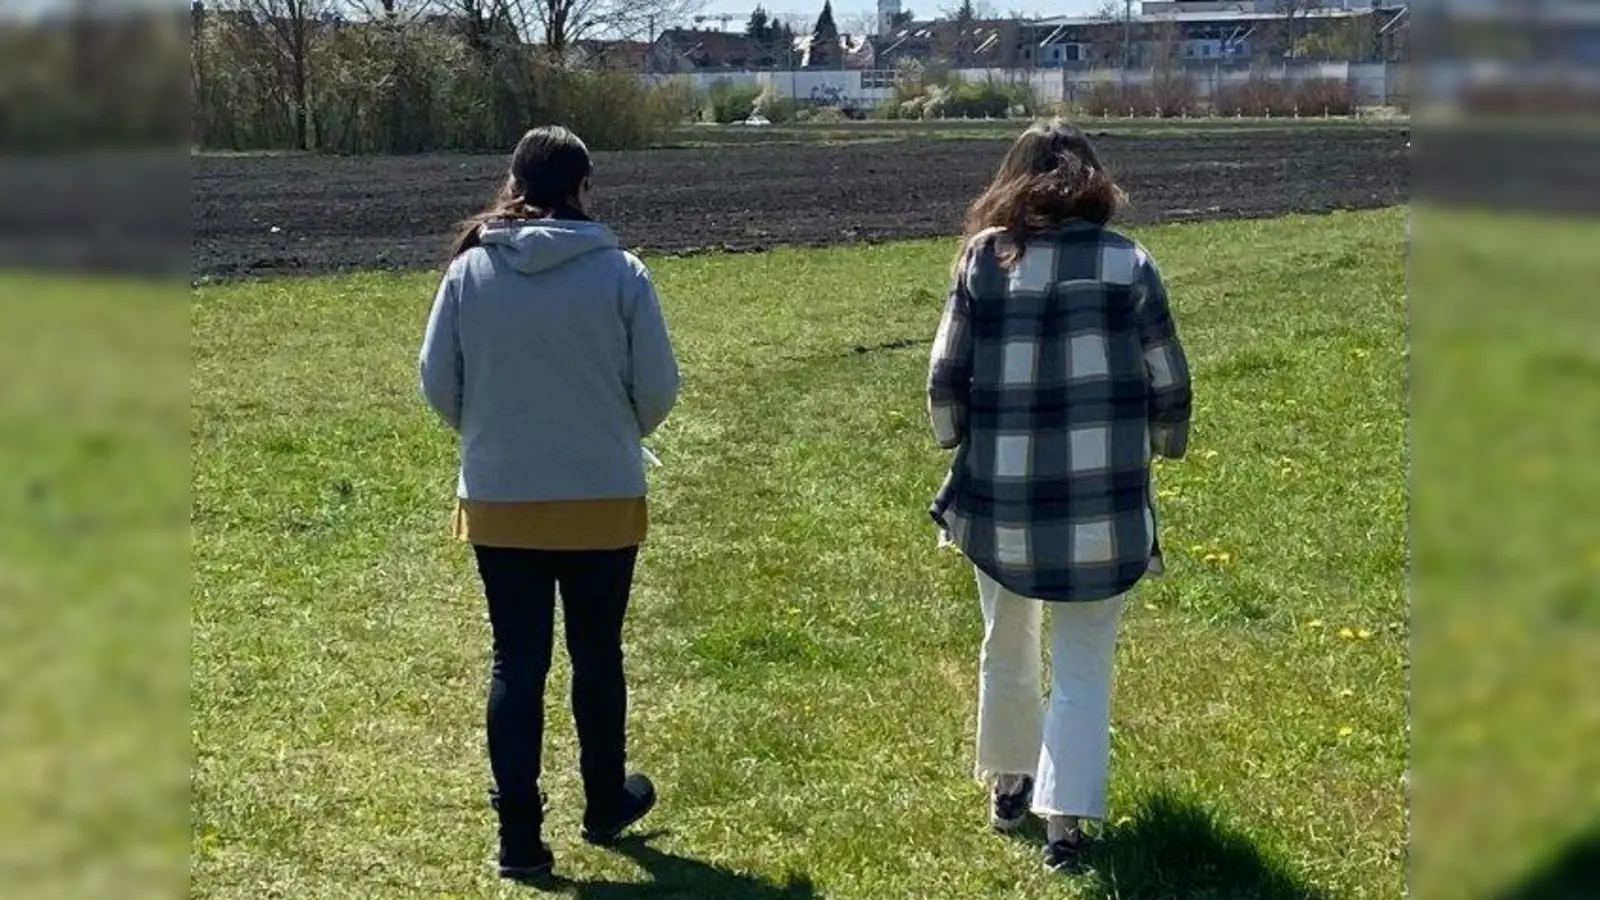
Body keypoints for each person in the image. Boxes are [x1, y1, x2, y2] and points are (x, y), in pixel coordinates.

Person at [926, 119, 1192, 874]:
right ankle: (1064, 824)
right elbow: (1170, 381)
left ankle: (1009, 782)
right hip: (1103, 504)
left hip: (1001, 500)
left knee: (1006, 641)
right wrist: (1160, 443)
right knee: (1083, 665)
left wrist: (960, 437)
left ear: (1012, 180)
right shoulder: (1129, 263)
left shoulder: (984, 260)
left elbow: (944, 381)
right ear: (1094, 180)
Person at [418, 125, 680, 880]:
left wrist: (489, 434)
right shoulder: (622, 273)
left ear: (514, 184)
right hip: (602, 491)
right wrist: (613, 432)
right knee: (598, 654)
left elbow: (437, 379)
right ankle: (604, 800)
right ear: (582, 186)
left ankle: (519, 836)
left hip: (503, 496)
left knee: (517, 660)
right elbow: (658, 386)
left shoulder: (470, 271)